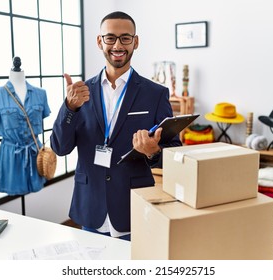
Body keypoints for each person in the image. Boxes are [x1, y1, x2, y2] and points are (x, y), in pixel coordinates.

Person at [50, 11, 182, 240]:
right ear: (100, 41)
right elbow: (60, 148)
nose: (118, 45)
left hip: (134, 206)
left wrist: (153, 153)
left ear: (136, 41)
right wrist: (69, 108)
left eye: (125, 38)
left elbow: (175, 151)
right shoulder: (81, 92)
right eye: (110, 38)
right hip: (90, 205)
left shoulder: (156, 94)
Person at [0, 58, 51, 195]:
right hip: (11, 154)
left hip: (35, 152)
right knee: (15, 190)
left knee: (35, 188)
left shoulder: (40, 94)